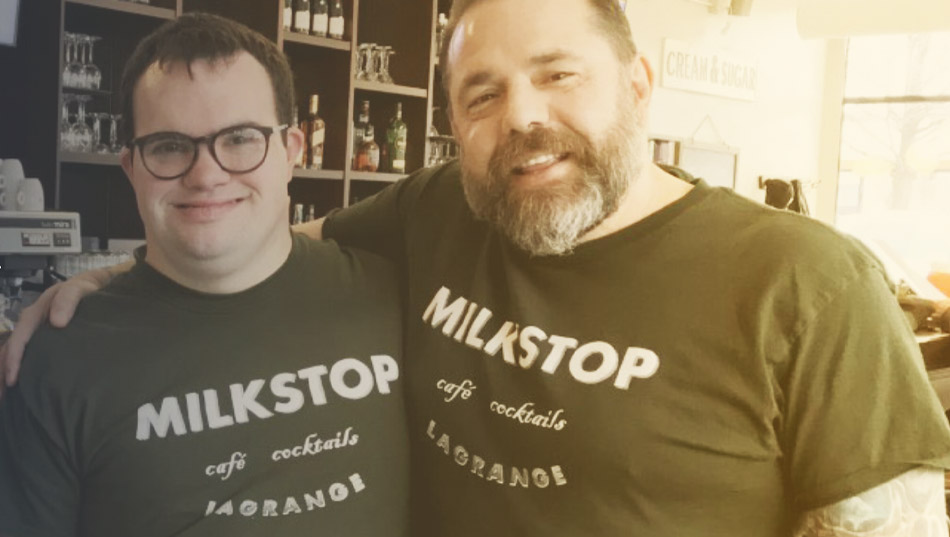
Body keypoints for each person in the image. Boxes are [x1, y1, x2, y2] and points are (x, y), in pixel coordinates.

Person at [4, 0, 950, 535]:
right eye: (483, 93)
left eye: (559, 73)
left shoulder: (809, 279)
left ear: (638, 82)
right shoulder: (438, 210)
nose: (523, 118)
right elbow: (253, 233)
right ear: (453, 122)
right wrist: (118, 276)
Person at [0, 13, 409, 537]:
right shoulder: (54, 362)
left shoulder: (394, 298)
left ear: (291, 153)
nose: (207, 174)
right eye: (169, 145)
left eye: (239, 138)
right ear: (131, 169)